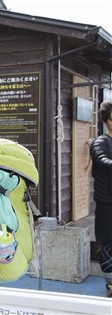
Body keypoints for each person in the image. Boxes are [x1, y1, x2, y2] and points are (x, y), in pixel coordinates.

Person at [90, 99, 112, 298]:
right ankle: (110, 285)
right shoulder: (100, 142)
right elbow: (101, 159)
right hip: (107, 202)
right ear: (106, 120)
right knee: (107, 242)